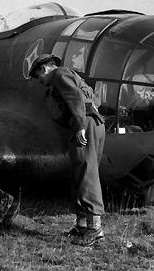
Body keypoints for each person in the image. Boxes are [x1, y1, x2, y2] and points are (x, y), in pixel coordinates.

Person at [28, 54, 106, 246]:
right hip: (90, 122)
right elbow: (91, 98)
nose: (40, 82)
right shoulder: (71, 75)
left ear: (44, 68)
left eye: (38, 76)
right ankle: (82, 225)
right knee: (80, 172)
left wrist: (79, 126)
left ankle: (94, 228)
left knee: (87, 173)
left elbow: (74, 98)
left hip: (84, 123)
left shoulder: (59, 75)